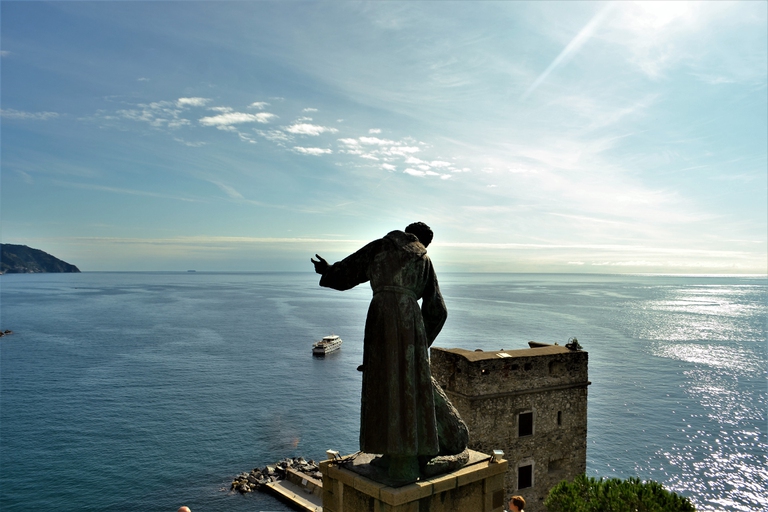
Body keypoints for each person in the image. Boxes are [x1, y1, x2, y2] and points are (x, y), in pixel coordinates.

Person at [312, 222, 448, 482]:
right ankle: (405, 459)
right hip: (411, 326)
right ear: (425, 241)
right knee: (408, 391)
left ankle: (391, 453)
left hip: (381, 318)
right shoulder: (425, 261)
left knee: (382, 383)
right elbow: (438, 309)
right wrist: (419, 348)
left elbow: (349, 271)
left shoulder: (381, 247)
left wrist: (327, 270)